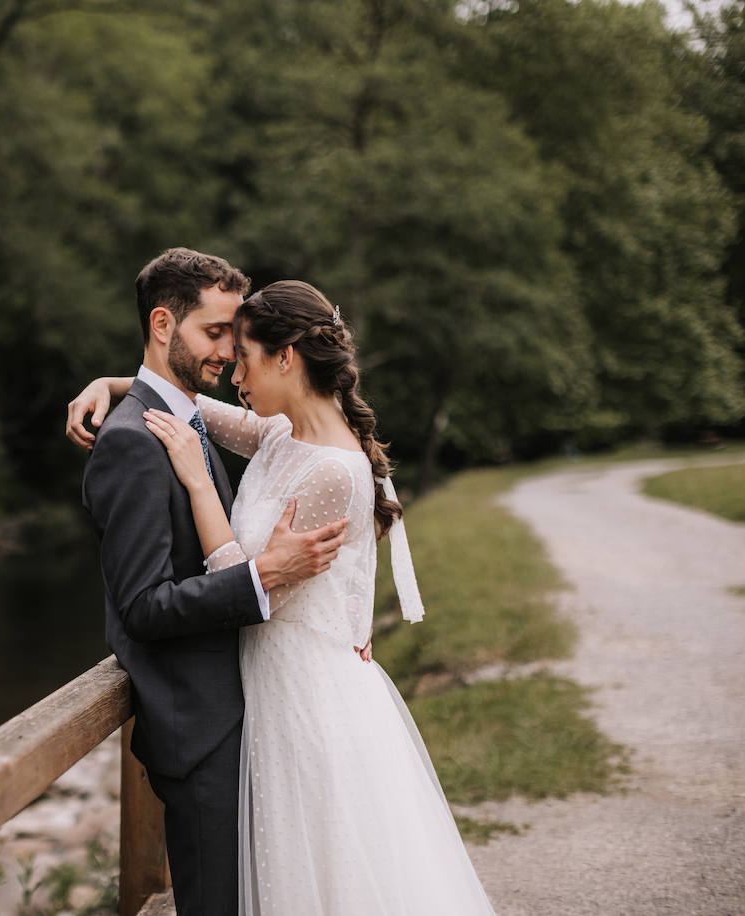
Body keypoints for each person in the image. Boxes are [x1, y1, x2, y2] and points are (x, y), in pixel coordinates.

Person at [69, 279, 495, 914]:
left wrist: (198, 482)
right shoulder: (277, 433)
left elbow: (259, 583)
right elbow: (182, 402)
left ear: (285, 357)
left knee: (314, 870)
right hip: (263, 684)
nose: (233, 373)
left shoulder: (329, 469)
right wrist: (108, 385)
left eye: (243, 355)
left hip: (301, 693)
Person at [76, 250, 353, 916]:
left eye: (236, 334)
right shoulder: (132, 443)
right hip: (200, 736)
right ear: (164, 324)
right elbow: (143, 607)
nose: (231, 351)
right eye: (216, 332)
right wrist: (262, 579)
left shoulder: (189, 419)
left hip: (251, 715)